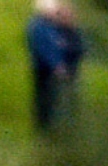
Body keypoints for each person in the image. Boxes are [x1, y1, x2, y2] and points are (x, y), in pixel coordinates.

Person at [26, 0, 68, 132]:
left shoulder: (48, 25)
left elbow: (54, 44)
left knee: (51, 95)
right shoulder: (39, 26)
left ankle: (49, 123)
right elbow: (44, 48)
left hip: (49, 66)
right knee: (44, 96)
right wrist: (55, 65)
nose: (55, 13)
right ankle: (44, 125)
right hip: (43, 67)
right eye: (52, 10)